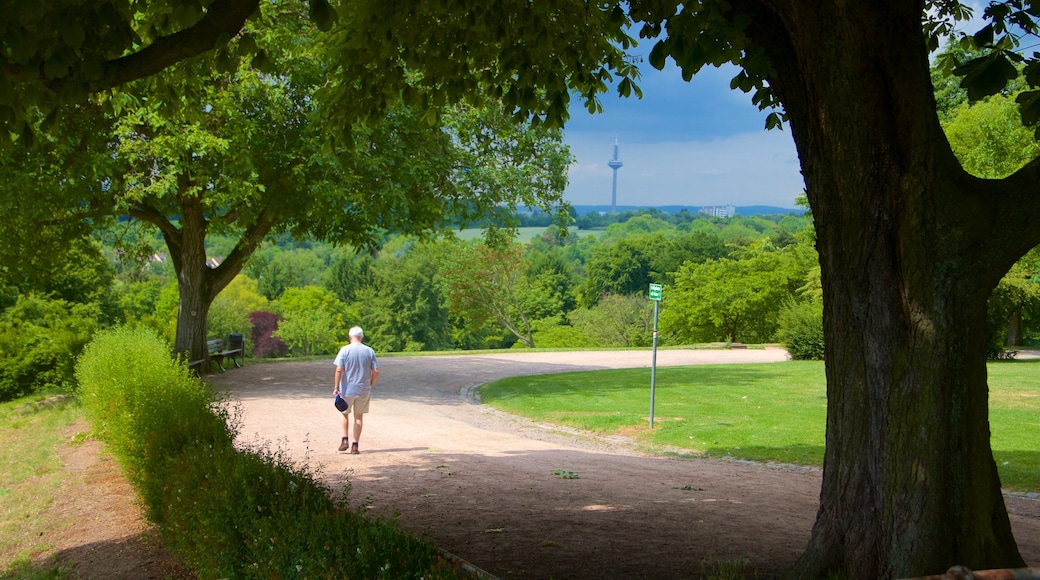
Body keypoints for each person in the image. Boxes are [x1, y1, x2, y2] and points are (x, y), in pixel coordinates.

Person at [332, 326, 379, 454]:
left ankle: (344, 439)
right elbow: (376, 370)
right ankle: (355, 445)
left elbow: (339, 369)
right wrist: (371, 383)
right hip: (363, 389)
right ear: (362, 337)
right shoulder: (369, 351)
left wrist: (336, 387)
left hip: (347, 389)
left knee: (344, 413)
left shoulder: (344, 350)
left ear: (350, 336)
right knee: (359, 417)